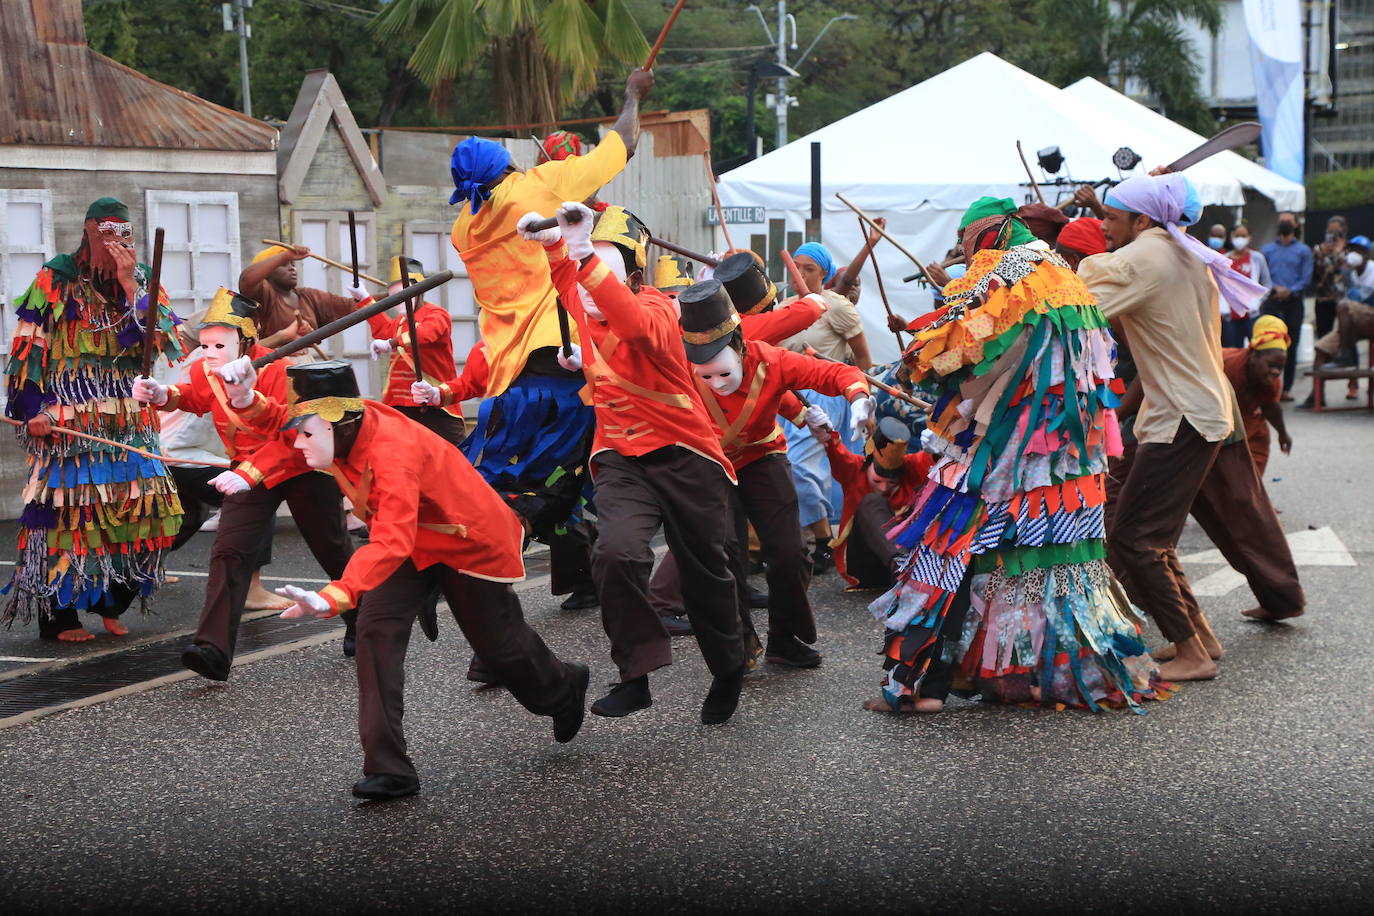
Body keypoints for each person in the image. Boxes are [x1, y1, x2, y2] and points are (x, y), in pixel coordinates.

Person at [219, 359, 590, 801]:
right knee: (375, 633)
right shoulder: (329, 427)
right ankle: (389, 767)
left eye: (307, 433)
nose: (299, 442)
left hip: (467, 538)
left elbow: (390, 540)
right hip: (410, 539)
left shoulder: (392, 454)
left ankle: (563, 686)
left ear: (346, 422)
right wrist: (247, 463)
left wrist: (336, 596)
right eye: (301, 431)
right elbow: (285, 436)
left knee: (500, 647)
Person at [866, 196, 1162, 713]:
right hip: (1067, 459)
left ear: (985, 235)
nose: (967, 253)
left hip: (1009, 449)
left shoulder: (1007, 273)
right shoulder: (1063, 276)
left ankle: (921, 689)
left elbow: (968, 345)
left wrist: (918, 353)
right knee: (1037, 562)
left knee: (947, 547)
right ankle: (1025, 672)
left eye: (966, 243)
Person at [520, 201, 748, 725]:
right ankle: (635, 675)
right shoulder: (583, 299)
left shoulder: (660, 312)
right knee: (616, 555)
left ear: (638, 276)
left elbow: (626, 318)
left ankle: (729, 667)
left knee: (707, 575)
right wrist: (553, 244)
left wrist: (580, 252)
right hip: (622, 458)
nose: (585, 284)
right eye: (586, 269)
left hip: (686, 457)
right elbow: (566, 283)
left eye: (598, 268)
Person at [443, 70, 653, 612]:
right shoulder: (537, 186)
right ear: (507, 167)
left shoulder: (463, 228)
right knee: (584, 473)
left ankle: (582, 580)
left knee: (543, 477)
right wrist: (632, 96)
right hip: (565, 361)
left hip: (506, 371)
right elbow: (622, 146)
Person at [1080, 172, 1266, 681]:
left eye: (1111, 218)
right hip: (1189, 412)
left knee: (1134, 539)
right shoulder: (1180, 249)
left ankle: (1193, 653)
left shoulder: (1147, 257)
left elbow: (1074, 306)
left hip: (1185, 414)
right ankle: (1199, 638)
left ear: (1143, 219)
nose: (1103, 226)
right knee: (1149, 537)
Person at [131, 289, 359, 679]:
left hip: (301, 467)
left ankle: (364, 621)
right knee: (228, 552)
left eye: (220, 344)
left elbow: (289, 435)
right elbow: (195, 397)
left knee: (333, 549)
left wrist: (245, 398)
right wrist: (162, 394)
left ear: (247, 342)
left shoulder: (282, 370)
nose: (210, 352)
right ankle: (212, 648)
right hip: (246, 470)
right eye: (205, 345)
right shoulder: (207, 368)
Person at [3, 197, 183, 640]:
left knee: (148, 511)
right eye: (107, 233)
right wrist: (32, 412)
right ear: (88, 232)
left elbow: (157, 344)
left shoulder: (141, 279)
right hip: (69, 413)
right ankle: (59, 617)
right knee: (70, 517)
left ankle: (110, 600)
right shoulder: (57, 276)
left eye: (125, 234)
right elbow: (30, 344)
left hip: (129, 415)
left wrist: (129, 286)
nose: (117, 243)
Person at [677, 279, 874, 668]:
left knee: (789, 552)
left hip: (762, 456)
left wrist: (859, 397)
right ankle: (739, 644)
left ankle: (785, 639)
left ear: (739, 345)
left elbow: (833, 374)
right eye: (707, 377)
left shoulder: (772, 360)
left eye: (722, 373)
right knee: (726, 558)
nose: (716, 384)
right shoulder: (677, 365)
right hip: (710, 465)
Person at [778, 241, 870, 571]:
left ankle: (822, 541)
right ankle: (815, 540)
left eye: (809, 268)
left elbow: (863, 359)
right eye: (797, 266)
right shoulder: (784, 307)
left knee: (800, 465)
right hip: (785, 396)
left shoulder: (838, 306)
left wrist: (862, 399)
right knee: (790, 468)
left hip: (824, 396)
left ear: (824, 273)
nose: (800, 273)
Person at [352, 256, 465, 448]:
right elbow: (383, 328)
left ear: (419, 291)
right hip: (399, 403)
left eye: (404, 295)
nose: (400, 302)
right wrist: (364, 300)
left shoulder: (436, 314)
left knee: (455, 453)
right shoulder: (400, 322)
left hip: (432, 401)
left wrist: (392, 342)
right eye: (395, 297)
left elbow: (425, 334)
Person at [809, 415, 932, 591]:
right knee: (872, 501)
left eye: (890, 483)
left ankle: (912, 571)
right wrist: (827, 434)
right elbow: (837, 452)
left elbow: (928, 460)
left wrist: (939, 446)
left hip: (908, 558)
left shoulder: (909, 468)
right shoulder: (854, 468)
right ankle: (902, 568)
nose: (883, 488)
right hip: (866, 566)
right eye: (878, 481)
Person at [237, 245, 359, 347]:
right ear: (267, 272)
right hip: (271, 367)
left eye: (293, 264)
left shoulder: (308, 296)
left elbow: (353, 306)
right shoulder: (263, 295)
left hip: (305, 365)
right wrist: (285, 255)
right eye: (284, 264)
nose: (292, 269)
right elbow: (246, 279)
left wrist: (371, 299)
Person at [1222, 315, 1292, 477]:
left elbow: (1270, 407)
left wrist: (1282, 433)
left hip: (1246, 421)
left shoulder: (1271, 381)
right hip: (1219, 419)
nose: (1276, 372)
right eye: (1271, 365)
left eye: (1280, 367)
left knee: (1258, 444)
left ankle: (1251, 496)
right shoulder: (1227, 365)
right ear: (1253, 355)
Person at [1261, 212, 1313, 399]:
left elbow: (1306, 278)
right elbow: (1263, 275)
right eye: (1281, 221)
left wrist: (1289, 290)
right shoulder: (1267, 250)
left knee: (1291, 345)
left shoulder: (1303, 250)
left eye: (1287, 221)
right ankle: (1268, 388)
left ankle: (1286, 389)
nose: (1284, 224)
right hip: (1272, 302)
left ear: (1296, 225)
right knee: (1268, 343)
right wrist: (1275, 289)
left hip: (1293, 302)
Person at [1313, 235, 1374, 373]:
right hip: (1359, 322)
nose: (1354, 254)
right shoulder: (1351, 274)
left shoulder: (1373, 271)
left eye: (1359, 250)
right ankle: (1315, 393)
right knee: (1321, 348)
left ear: (1367, 254)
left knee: (1343, 306)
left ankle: (1345, 356)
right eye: (1352, 250)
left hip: (1371, 318)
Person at [1222, 224, 1272, 347]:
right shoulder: (1223, 259)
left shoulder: (1257, 258)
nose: (1240, 239)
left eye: (1243, 236)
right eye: (1237, 235)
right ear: (1231, 237)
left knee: (1256, 349)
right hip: (1230, 316)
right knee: (1234, 352)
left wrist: (1259, 301)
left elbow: (1267, 283)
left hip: (1251, 314)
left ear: (1249, 238)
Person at [1311, 215, 1350, 340]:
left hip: (1344, 299)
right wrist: (1322, 255)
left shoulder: (1350, 250)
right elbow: (1314, 274)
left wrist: (1339, 253)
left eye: (1336, 232)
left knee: (1347, 335)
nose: (1333, 235)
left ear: (1343, 232)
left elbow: (1348, 273)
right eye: (1329, 231)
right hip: (1323, 298)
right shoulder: (1319, 250)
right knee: (1324, 336)